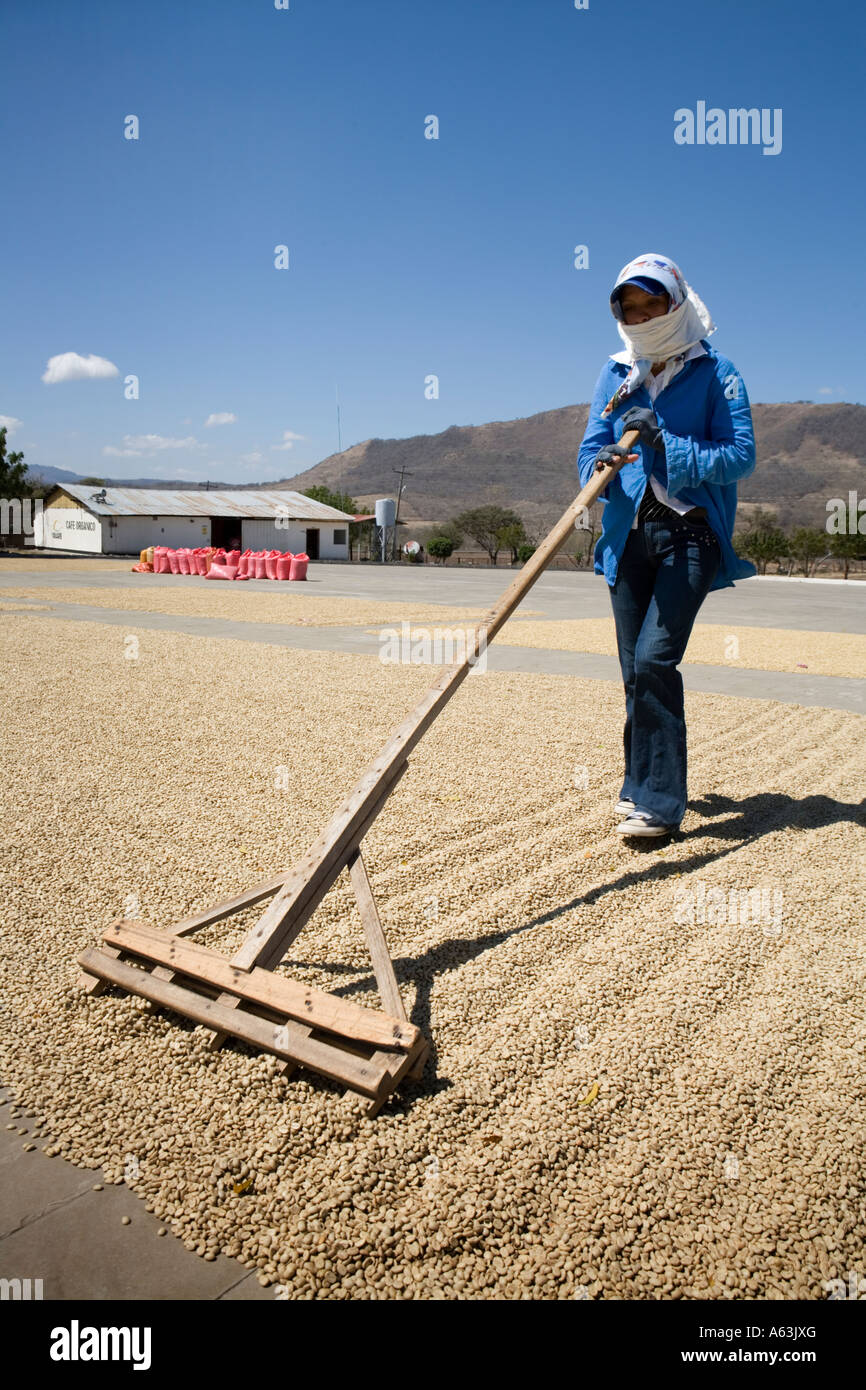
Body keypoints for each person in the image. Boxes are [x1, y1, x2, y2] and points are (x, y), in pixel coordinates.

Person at [576, 253, 757, 838]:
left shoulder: (716, 372)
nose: (642, 316)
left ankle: (659, 801)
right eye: (630, 308)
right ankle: (639, 785)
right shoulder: (615, 372)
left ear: (676, 302)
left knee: (656, 658)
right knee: (634, 669)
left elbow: (740, 456)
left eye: (652, 304)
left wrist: (668, 442)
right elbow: (589, 453)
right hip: (626, 535)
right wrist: (599, 465)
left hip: (689, 533)